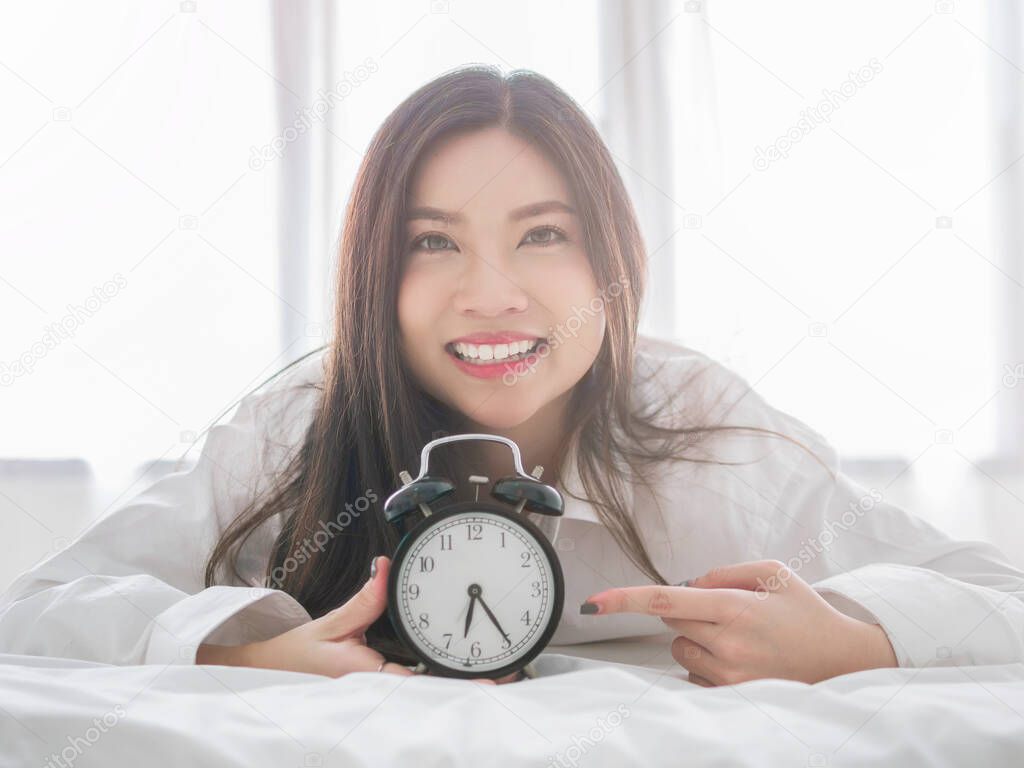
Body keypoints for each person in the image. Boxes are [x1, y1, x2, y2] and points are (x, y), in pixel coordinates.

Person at [2, 66, 1022, 688]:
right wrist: (244, 655)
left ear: (610, 260)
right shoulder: (295, 432)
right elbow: (37, 610)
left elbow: (995, 595)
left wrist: (854, 647)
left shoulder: (702, 432)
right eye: (431, 244)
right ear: (373, 279)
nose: (491, 296)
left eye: (542, 235)